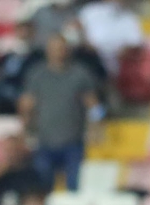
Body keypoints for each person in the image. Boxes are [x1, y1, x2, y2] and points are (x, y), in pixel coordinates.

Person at [19, 34, 100, 192]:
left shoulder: (80, 74)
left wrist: (97, 126)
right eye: (54, 48)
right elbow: (27, 104)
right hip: (44, 142)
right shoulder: (37, 75)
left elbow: (94, 105)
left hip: (73, 141)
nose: (58, 52)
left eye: (61, 48)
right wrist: (26, 128)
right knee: (42, 187)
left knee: (73, 187)